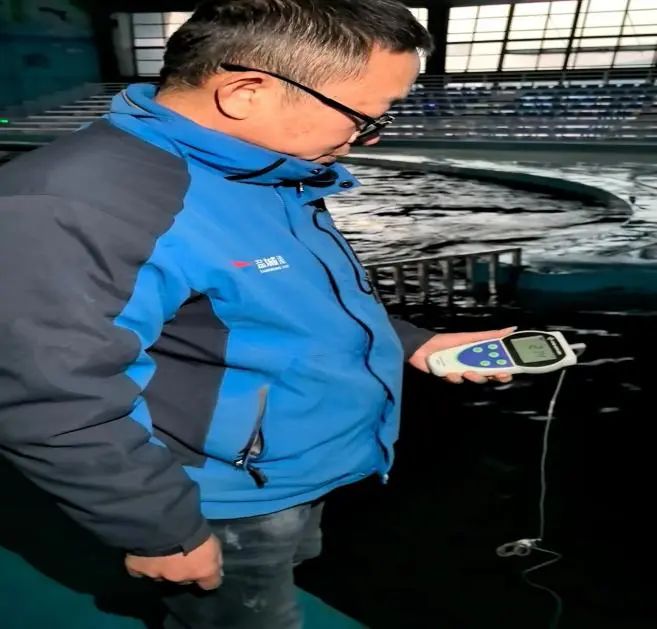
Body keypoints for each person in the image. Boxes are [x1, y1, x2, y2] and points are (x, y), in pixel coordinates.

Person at [0, 1, 512, 627]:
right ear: (246, 93)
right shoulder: (74, 204)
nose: (369, 138)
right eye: (362, 118)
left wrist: (412, 342)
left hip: (287, 469)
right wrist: (160, 528)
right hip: (216, 498)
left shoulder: (259, 164)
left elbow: (284, 299)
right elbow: (52, 394)